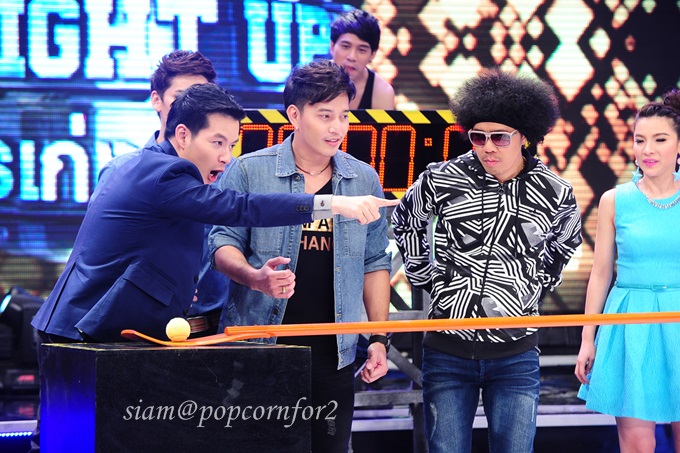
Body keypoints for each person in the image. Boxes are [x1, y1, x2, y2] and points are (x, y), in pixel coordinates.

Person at [31, 82, 396, 344]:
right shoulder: (168, 174)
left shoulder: (146, 165)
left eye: (231, 144)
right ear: (183, 135)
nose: (225, 156)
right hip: (82, 330)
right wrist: (332, 203)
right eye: (217, 142)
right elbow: (241, 207)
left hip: (87, 326)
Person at [391, 68, 583, 453]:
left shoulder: (555, 191)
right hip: (447, 350)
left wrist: (532, 285)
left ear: (525, 136)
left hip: (516, 354)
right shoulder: (442, 178)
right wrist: (424, 274)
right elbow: (405, 219)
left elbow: (566, 242)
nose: (488, 147)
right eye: (478, 137)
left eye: (499, 137)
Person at [209, 59, 392, 452]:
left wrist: (379, 338)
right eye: (325, 116)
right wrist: (254, 277)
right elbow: (221, 243)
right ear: (294, 114)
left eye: (344, 116)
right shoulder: (249, 171)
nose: (337, 128)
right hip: (258, 349)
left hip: (334, 355)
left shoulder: (363, 178)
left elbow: (375, 262)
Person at [575, 89, 680, 452]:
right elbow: (601, 273)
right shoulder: (614, 200)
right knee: (636, 443)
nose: (648, 149)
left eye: (660, 139)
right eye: (640, 140)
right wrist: (588, 338)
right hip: (630, 321)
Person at [94, 49, 226, 337]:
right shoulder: (121, 171)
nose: (192, 108)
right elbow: (103, 256)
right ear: (156, 100)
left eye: (201, 97)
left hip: (215, 331)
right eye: (180, 97)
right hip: (141, 331)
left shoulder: (229, 173)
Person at [330, 8, 395, 110]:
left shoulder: (382, 92)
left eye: (362, 50)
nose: (352, 57)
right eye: (346, 46)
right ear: (332, 46)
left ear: (373, 54)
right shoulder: (310, 83)